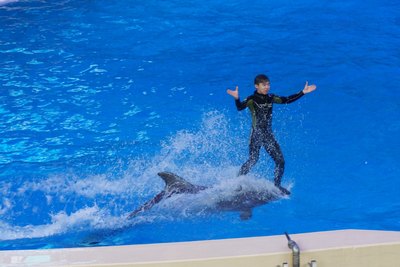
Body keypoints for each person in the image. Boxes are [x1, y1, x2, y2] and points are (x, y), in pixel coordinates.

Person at [227, 74, 316, 195]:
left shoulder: (271, 97)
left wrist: (303, 92)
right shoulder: (252, 99)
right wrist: (237, 98)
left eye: (268, 84)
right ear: (256, 86)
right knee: (253, 160)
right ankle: (236, 182)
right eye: (264, 85)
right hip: (256, 134)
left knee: (280, 161)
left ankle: (277, 185)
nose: (267, 87)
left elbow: (287, 100)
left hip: (268, 135)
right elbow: (240, 108)